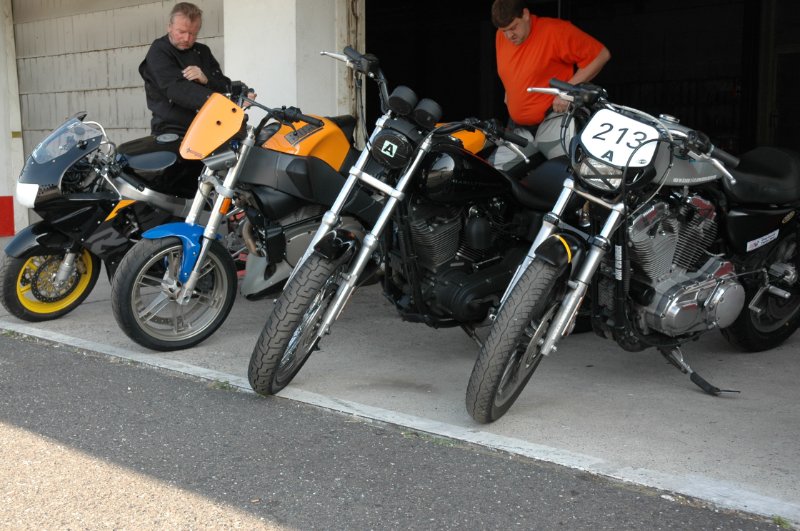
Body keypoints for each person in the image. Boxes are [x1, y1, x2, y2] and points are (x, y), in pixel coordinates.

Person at [490, 0, 611, 167]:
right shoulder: (501, 36)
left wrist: (569, 91)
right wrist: (510, 89)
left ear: (525, 14)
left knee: (568, 173)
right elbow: (513, 67)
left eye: (513, 27)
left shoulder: (555, 31)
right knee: (496, 174)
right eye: (504, 30)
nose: (510, 35)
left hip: (555, 120)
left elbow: (600, 55)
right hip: (519, 128)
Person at [139, 2, 234, 135]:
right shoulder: (159, 50)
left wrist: (206, 80)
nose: (187, 38)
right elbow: (176, 89)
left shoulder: (203, 51)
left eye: (193, 33)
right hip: (171, 129)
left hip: (209, 125)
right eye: (182, 32)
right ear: (169, 27)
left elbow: (224, 85)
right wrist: (223, 103)